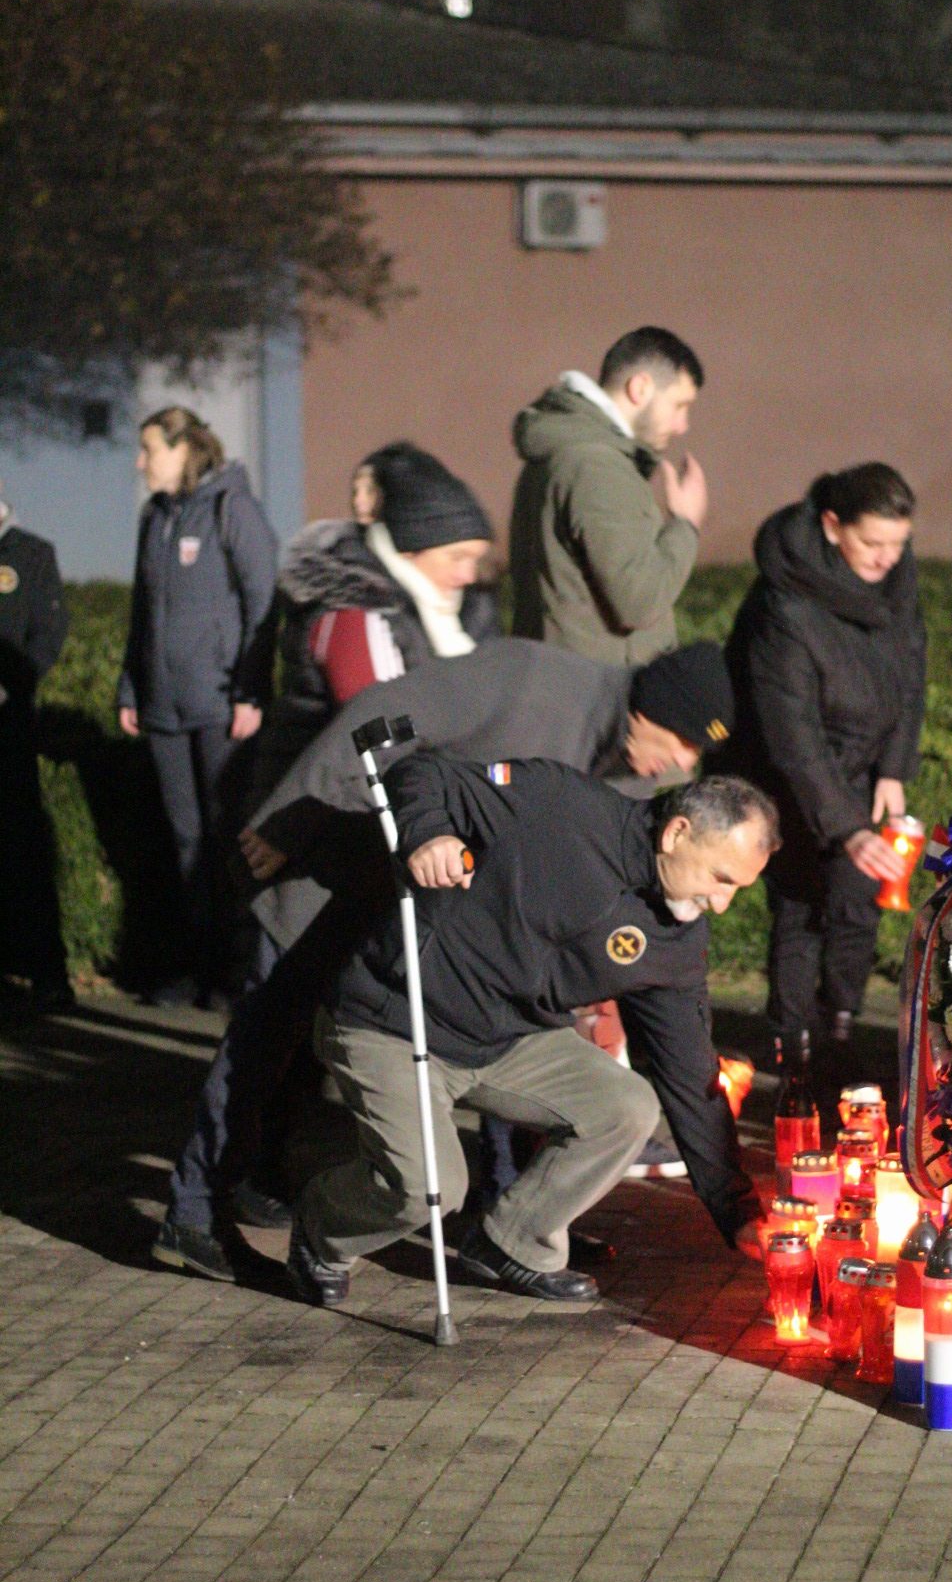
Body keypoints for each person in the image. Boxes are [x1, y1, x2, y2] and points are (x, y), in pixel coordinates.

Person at [152, 639, 738, 1281]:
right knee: (269, 1033)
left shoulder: (635, 774)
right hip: (345, 863)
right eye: (682, 741)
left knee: (517, 1026)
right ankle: (195, 1213)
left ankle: (502, 1214)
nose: (683, 763)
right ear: (650, 708)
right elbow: (380, 713)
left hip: (449, 935)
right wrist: (289, 820)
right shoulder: (531, 678)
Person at [286, 763, 778, 1308]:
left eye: (737, 888)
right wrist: (430, 834)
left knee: (627, 1108)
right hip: (397, 1020)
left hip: (512, 1040)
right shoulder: (558, 804)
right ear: (677, 833)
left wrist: (737, 1212)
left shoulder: (675, 940)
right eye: (721, 878)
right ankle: (323, 1231)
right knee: (428, 1189)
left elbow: (689, 1076)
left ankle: (514, 1241)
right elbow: (424, 772)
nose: (722, 903)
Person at [724, 464, 926, 1069]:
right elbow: (793, 731)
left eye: (898, 543)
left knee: (857, 901)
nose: (888, 558)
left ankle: (840, 1028)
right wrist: (847, 827)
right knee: (800, 906)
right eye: (873, 542)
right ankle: (793, 1044)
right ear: (834, 526)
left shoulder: (893, 578)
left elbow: (910, 670)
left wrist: (893, 767)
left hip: (863, 765)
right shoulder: (785, 602)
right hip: (791, 776)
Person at [117, 407, 277, 1004]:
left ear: (184, 449)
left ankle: (240, 975)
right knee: (185, 841)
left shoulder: (232, 509)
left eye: (149, 449)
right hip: (163, 709)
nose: (140, 462)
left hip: (221, 708)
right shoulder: (153, 517)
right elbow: (141, 609)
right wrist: (130, 688)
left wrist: (251, 692)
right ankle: (199, 970)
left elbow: (264, 605)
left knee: (229, 837)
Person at [252, 442, 497, 800]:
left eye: (475, 559)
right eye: (456, 557)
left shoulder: (452, 610)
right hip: (327, 809)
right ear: (410, 548)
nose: (468, 575)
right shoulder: (354, 614)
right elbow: (380, 735)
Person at [509, 326, 708, 666]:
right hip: (597, 688)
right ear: (640, 388)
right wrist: (685, 525)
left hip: (559, 679)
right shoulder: (598, 467)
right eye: (679, 405)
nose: (682, 425)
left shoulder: (561, 452)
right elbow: (639, 602)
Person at [0, 478, 72, 1013]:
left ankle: (48, 975)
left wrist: (11, 686)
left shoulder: (31, 554)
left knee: (22, 844)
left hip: (9, 723)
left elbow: (48, 633)